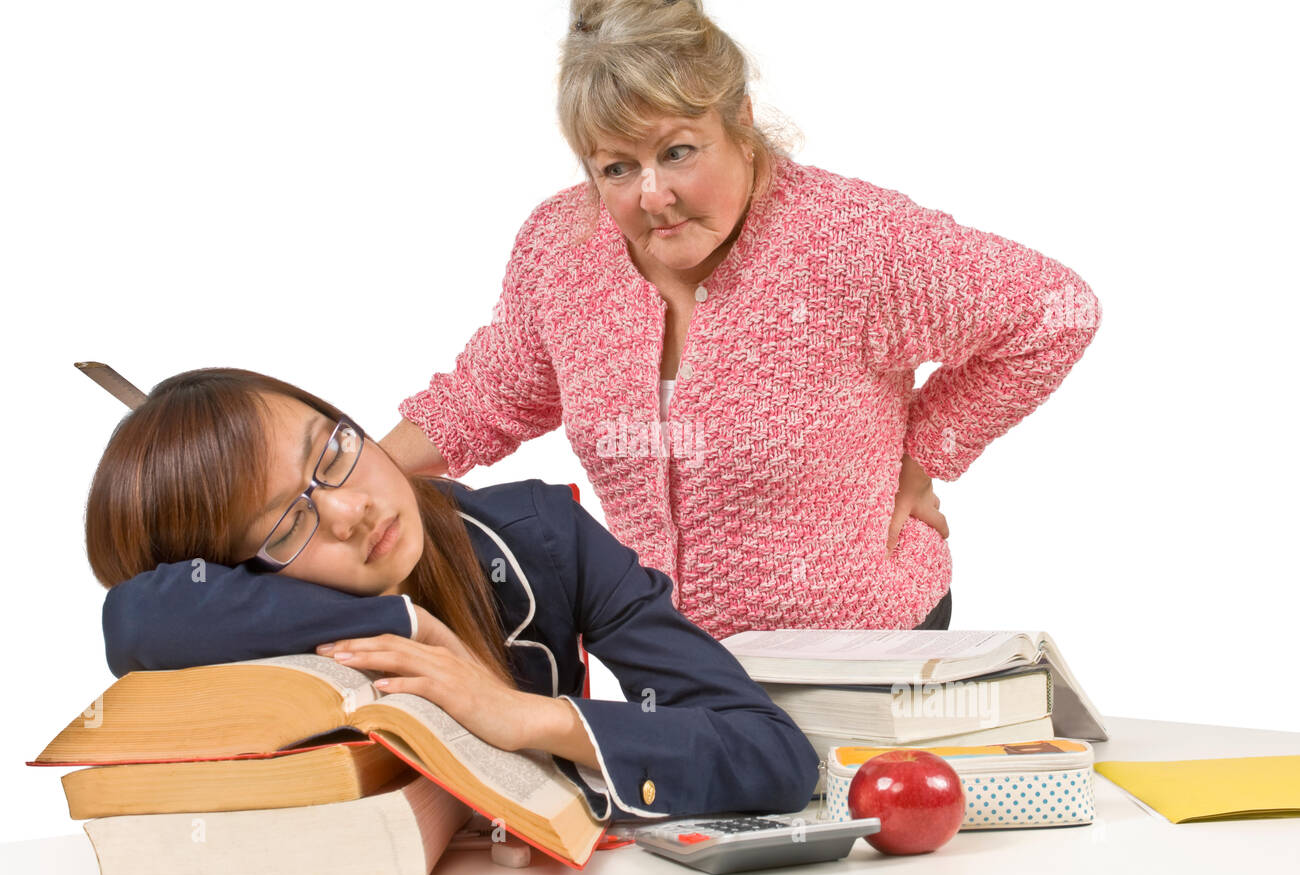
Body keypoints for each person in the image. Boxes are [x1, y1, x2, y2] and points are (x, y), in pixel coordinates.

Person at [379, 0, 1099, 640]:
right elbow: (488, 395)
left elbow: (1055, 311)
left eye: (677, 152)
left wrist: (926, 454)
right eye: (616, 168)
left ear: (741, 121)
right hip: (674, 669)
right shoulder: (563, 247)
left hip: (863, 652)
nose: (652, 195)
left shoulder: (851, 242)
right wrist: (341, 483)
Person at [86, 367, 819, 823]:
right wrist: (401, 617)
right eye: (284, 523)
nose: (350, 512)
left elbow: (773, 754)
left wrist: (523, 715)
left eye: (331, 451)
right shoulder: (260, 614)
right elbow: (134, 617)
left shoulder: (544, 537)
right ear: (234, 574)